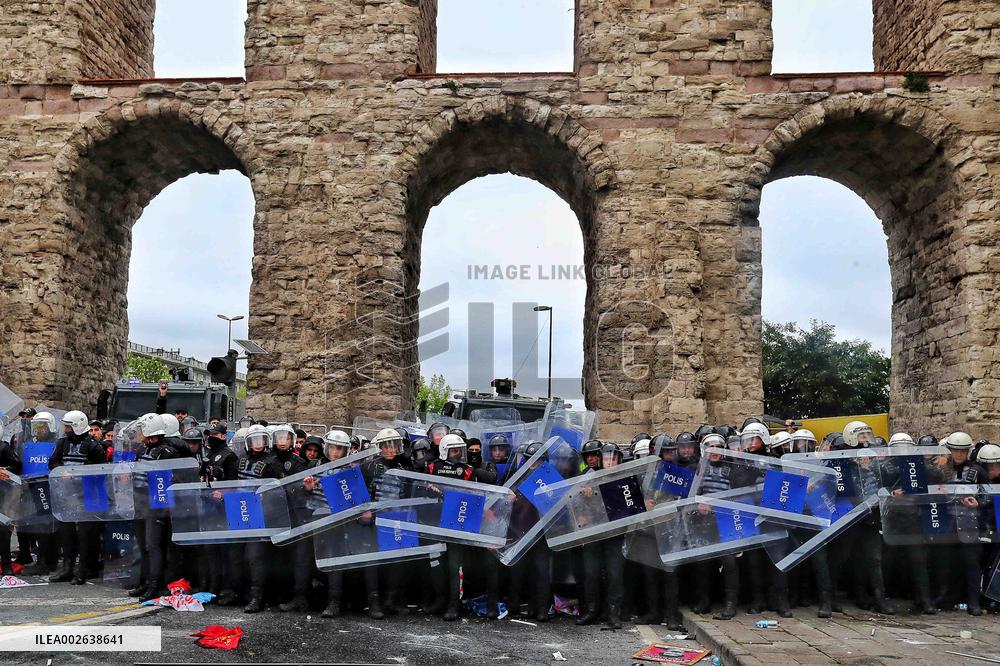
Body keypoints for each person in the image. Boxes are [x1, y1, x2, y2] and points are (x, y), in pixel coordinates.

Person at [360, 428, 413, 619]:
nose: (391, 450)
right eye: (387, 446)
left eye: (395, 446)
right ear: (380, 447)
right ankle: (373, 602)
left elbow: (411, 490)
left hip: (397, 518)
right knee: (372, 560)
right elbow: (360, 491)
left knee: (397, 560)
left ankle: (391, 598)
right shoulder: (369, 466)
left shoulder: (405, 466)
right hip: (374, 519)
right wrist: (364, 512)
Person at [48, 410, 105, 584]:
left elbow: (101, 471)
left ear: (77, 427)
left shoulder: (94, 446)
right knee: (66, 532)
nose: (66, 430)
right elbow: (53, 461)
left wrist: (80, 474)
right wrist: (61, 470)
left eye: (68, 427)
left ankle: (84, 569)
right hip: (67, 494)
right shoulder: (62, 443)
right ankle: (67, 567)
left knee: (86, 535)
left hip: (87, 495)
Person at [577, 442, 626, 629]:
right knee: (591, 573)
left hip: (614, 533)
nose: (610, 462)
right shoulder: (588, 476)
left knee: (614, 574)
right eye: (607, 458)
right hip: (592, 532)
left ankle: (613, 613)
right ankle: (592, 611)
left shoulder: (623, 476)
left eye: (613, 458)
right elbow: (575, 501)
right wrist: (584, 495)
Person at [130, 414, 179, 602]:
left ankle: (154, 585)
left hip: (156, 504)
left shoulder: (167, 451)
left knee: (153, 545)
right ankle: (143, 582)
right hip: (139, 500)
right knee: (142, 545)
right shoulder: (143, 449)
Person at [427, 433, 475, 620]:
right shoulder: (431, 467)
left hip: (457, 522)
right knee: (435, 562)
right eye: (454, 450)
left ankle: (454, 603)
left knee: (455, 565)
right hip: (435, 521)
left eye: (460, 450)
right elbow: (421, 486)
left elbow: (473, 492)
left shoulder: (468, 470)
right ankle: (440, 598)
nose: (458, 454)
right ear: (445, 450)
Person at [237, 424, 280, 613]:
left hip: (261, 516)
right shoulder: (240, 460)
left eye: (261, 440)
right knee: (241, 556)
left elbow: (280, 490)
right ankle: (243, 592)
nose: (257, 444)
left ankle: (258, 597)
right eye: (254, 440)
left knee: (255, 557)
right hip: (239, 512)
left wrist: (267, 495)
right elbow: (231, 483)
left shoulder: (272, 463)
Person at [0, 433, 23, 575]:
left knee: (3, 528)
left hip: (3, 492)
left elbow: (17, 465)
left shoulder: (4, 447)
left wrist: (4, 470)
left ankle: (6, 563)